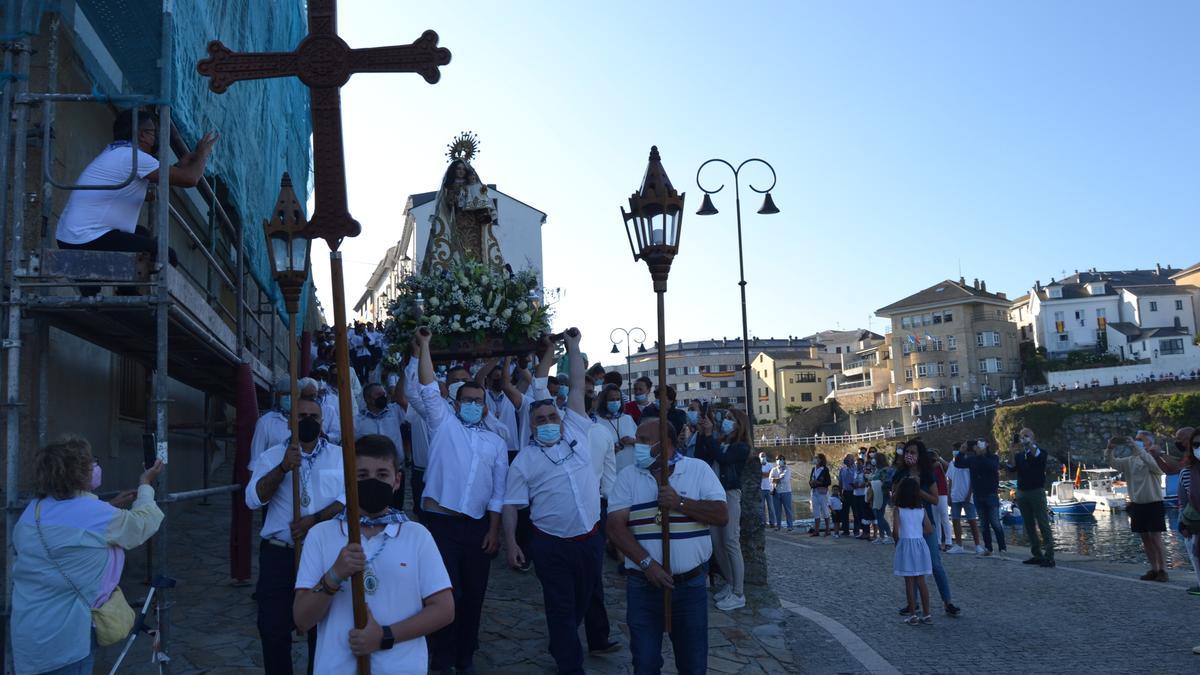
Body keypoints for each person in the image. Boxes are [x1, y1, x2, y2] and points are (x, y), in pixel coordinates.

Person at [502, 329, 617, 672]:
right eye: (540, 420)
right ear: (532, 426)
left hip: (588, 540)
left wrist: (575, 346)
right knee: (561, 607)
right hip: (550, 546)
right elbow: (510, 505)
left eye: (552, 417)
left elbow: (579, 387)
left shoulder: (578, 429)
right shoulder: (524, 460)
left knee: (581, 602)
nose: (549, 422)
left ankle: (561, 639)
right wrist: (511, 543)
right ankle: (570, 663)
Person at [293, 435, 454, 673]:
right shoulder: (321, 535)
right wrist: (334, 576)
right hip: (337, 667)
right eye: (362, 475)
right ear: (349, 479)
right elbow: (302, 619)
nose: (372, 482)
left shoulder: (417, 536)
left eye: (381, 475)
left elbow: (444, 609)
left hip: (401, 667)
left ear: (396, 480)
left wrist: (384, 636)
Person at [11, 437, 163, 675]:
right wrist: (146, 485)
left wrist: (109, 505)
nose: (95, 465)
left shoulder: (34, 510)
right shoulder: (94, 514)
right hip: (66, 639)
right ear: (77, 472)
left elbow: (71, 531)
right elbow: (143, 524)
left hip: (29, 633)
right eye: (92, 462)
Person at [413, 326, 509, 674]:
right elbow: (426, 387)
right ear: (456, 403)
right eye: (466, 401)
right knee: (445, 594)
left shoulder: (496, 443)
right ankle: (442, 658)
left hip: (477, 527)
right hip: (440, 525)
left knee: (473, 596)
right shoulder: (442, 425)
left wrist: (494, 530)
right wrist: (424, 344)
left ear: (485, 407)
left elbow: (498, 492)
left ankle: (465, 655)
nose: (472, 405)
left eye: (478, 402)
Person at [607, 416, 728, 675]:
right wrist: (647, 564)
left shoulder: (698, 470)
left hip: (690, 586)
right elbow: (615, 526)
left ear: (666, 445)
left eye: (643, 441)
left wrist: (680, 503)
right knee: (645, 662)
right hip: (643, 584)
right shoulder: (629, 476)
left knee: (693, 664)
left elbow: (721, 515)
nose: (637, 445)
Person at [246, 397, 346, 675]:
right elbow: (253, 499)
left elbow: (350, 496)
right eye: (301, 416)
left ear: (322, 421)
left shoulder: (339, 456)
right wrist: (282, 468)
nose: (308, 421)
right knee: (272, 627)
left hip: (323, 553)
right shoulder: (272, 456)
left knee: (323, 628)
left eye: (314, 416)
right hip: (280, 552)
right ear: (290, 421)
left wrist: (315, 519)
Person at [55, 108, 218, 276]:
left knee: (142, 234)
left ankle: (117, 296)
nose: (156, 139)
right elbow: (191, 179)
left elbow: (147, 194)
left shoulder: (116, 153)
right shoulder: (133, 156)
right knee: (166, 255)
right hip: (87, 238)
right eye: (153, 133)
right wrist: (203, 155)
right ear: (142, 135)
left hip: (71, 236)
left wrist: (177, 168)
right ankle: (128, 298)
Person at [891, 439, 961, 618]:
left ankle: (948, 602)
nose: (909, 455)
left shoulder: (928, 474)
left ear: (919, 454)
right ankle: (912, 604)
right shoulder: (899, 474)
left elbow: (936, 499)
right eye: (907, 451)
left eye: (912, 452)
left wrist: (917, 489)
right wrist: (902, 486)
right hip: (907, 525)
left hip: (925, 522)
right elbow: (894, 499)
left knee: (936, 564)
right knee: (910, 567)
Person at [694, 408, 751, 610]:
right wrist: (703, 434)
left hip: (729, 494)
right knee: (717, 542)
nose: (724, 422)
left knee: (730, 541)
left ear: (739, 424)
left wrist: (709, 436)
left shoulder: (741, 447)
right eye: (724, 418)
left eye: (729, 419)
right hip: (714, 495)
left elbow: (723, 459)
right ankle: (729, 582)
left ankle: (738, 592)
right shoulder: (720, 442)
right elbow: (701, 456)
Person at [1106, 430, 1167, 581]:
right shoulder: (1129, 461)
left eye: (1141, 440)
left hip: (1154, 503)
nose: (1136, 442)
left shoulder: (1154, 459)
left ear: (1148, 443)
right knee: (1145, 538)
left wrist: (1137, 447)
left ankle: (1163, 569)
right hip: (1137, 504)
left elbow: (1153, 465)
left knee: (1156, 538)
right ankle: (1153, 568)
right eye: (1136, 439)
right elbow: (1113, 463)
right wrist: (1110, 448)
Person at [1006, 428, 1055, 567]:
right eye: (1022, 436)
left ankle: (1049, 556)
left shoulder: (1040, 452)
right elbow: (1010, 467)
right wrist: (1012, 450)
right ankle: (1037, 554)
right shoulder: (1020, 455)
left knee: (1043, 523)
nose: (1024, 438)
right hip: (1022, 492)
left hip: (1036, 491)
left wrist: (1030, 444)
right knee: (1028, 525)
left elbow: (1037, 456)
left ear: (1033, 438)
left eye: (1027, 436)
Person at [354, 381, 408, 510]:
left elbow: (402, 397)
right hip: (371, 473)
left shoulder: (395, 412)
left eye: (384, 394)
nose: (383, 397)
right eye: (378, 395)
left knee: (395, 506)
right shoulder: (357, 420)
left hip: (395, 469)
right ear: (367, 398)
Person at [892, 477, 933, 625]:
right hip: (920, 545)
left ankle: (913, 615)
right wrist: (917, 532)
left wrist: (899, 544)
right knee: (921, 581)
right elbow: (929, 529)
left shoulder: (898, 510)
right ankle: (927, 614)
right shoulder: (922, 510)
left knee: (909, 581)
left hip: (906, 545)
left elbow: (895, 532)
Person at [955, 438, 1005, 556]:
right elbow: (958, 464)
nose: (978, 446)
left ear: (987, 445)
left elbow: (993, 467)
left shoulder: (993, 458)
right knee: (983, 524)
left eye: (981, 443)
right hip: (978, 495)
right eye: (977, 444)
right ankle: (988, 548)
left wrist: (982, 455)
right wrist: (961, 452)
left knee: (995, 522)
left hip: (991, 494)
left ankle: (1002, 547)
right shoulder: (972, 459)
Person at [592, 384, 637, 476]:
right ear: (604, 401)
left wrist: (633, 441)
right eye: (612, 400)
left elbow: (642, 442)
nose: (615, 402)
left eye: (618, 399)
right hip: (609, 474)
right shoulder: (597, 422)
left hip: (630, 471)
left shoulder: (627, 419)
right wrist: (610, 449)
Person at [946, 443, 983, 554]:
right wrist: (949, 495)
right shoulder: (952, 464)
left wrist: (969, 493)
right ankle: (958, 545)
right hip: (955, 495)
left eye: (957, 449)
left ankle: (977, 545)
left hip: (967, 495)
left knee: (972, 520)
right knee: (955, 520)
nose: (955, 451)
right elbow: (950, 480)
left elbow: (972, 479)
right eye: (954, 450)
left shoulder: (969, 462)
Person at [252, 377, 294, 466]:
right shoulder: (265, 422)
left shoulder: (304, 420)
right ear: (278, 396)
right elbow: (255, 461)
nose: (289, 398)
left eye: (293, 395)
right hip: (271, 476)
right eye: (286, 394)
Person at [808, 453, 833, 537]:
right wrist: (811, 483)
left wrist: (820, 483)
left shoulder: (825, 469)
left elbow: (828, 482)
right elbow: (810, 480)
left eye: (817, 458)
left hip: (822, 493)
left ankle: (828, 529)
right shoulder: (813, 469)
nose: (815, 459)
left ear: (821, 460)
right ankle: (817, 530)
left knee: (825, 511)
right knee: (816, 511)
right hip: (814, 492)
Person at [769, 456, 794, 532]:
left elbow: (785, 480)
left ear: (784, 460)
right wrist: (779, 478)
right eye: (777, 459)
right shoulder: (774, 469)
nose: (779, 461)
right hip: (776, 492)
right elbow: (770, 480)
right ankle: (778, 526)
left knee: (788, 510)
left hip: (786, 492)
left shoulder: (787, 469)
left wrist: (776, 479)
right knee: (777, 510)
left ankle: (790, 526)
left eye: (780, 459)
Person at [759, 451, 777, 527]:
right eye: (761, 456)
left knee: (771, 507)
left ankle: (772, 522)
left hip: (769, 489)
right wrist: (765, 474)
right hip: (761, 489)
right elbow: (759, 475)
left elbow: (769, 474)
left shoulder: (770, 465)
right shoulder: (757, 466)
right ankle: (763, 522)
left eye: (764, 456)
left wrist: (762, 474)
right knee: (761, 507)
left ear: (766, 457)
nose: (763, 457)